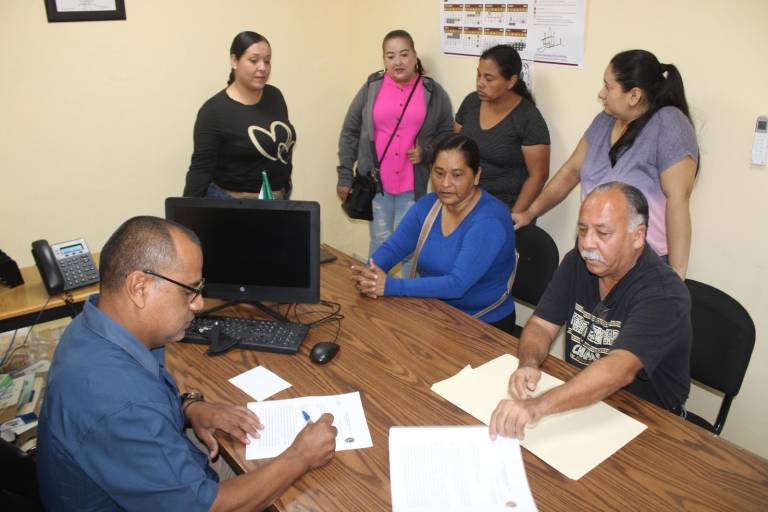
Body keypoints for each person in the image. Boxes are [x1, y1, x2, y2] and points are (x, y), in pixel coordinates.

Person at [37, 216, 336, 511]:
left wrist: (190, 410)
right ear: (139, 287)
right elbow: (209, 507)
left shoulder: (94, 324)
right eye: (189, 290)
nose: (199, 304)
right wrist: (300, 457)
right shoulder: (119, 401)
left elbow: (145, 404)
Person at [489, 182, 691, 441]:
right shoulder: (577, 262)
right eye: (582, 230)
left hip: (648, 421)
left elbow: (620, 368)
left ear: (638, 236)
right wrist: (529, 363)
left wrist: (537, 406)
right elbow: (541, 325)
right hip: (582, 399)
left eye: (602, 233)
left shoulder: (665, 293)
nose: (587, 244)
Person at [513, 49, 698, 279]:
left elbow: (678, 199)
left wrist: (677, 274)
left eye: (608, 87)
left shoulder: (669, 123)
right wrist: (529, 213)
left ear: (634, 95)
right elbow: (570, 172)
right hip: (592, 251)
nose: (601, 93)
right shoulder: (604, 121)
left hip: (640, 263)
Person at [352, 134, 517, 332]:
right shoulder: (428, 206)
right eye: (439, 173)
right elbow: (393, 248)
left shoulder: (490, 220)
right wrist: (370, 273)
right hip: (432, 312)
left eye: (457, 175)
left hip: (483, 325)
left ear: (477, 175)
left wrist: (390, 286)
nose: (445, 183)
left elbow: (457, 285)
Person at [337, 29, 454, 264]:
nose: (398, 62)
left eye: (404, 54)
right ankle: (374, 290)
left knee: (410, 247)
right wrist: (345, 176)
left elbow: (446, 134)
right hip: (376, 182)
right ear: (384, 60)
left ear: (414, 56)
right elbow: (350, 132)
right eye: (390, 56)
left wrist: (427, 152)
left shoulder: (432, 92)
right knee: (380, 242)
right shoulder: (372, 87)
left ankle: (407, 298)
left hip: (413, 184)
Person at [184, 31, 295, 199]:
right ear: (234, 61)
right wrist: (186, 218)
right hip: (235, 207)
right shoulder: (214, 111)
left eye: (267, 61)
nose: (262, 67)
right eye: (253, 60)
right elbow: (201, 169)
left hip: (278, 200)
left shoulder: (274, 96)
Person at [454, 44, 550, 213]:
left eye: (489, 79)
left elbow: (538, 177)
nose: (480, 83)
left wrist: (513, 218)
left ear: (511, 81)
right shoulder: (471, 102)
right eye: (478, 75)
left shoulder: (528, 118)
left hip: (504, 207)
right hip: (466, 202)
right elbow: (455, 148)